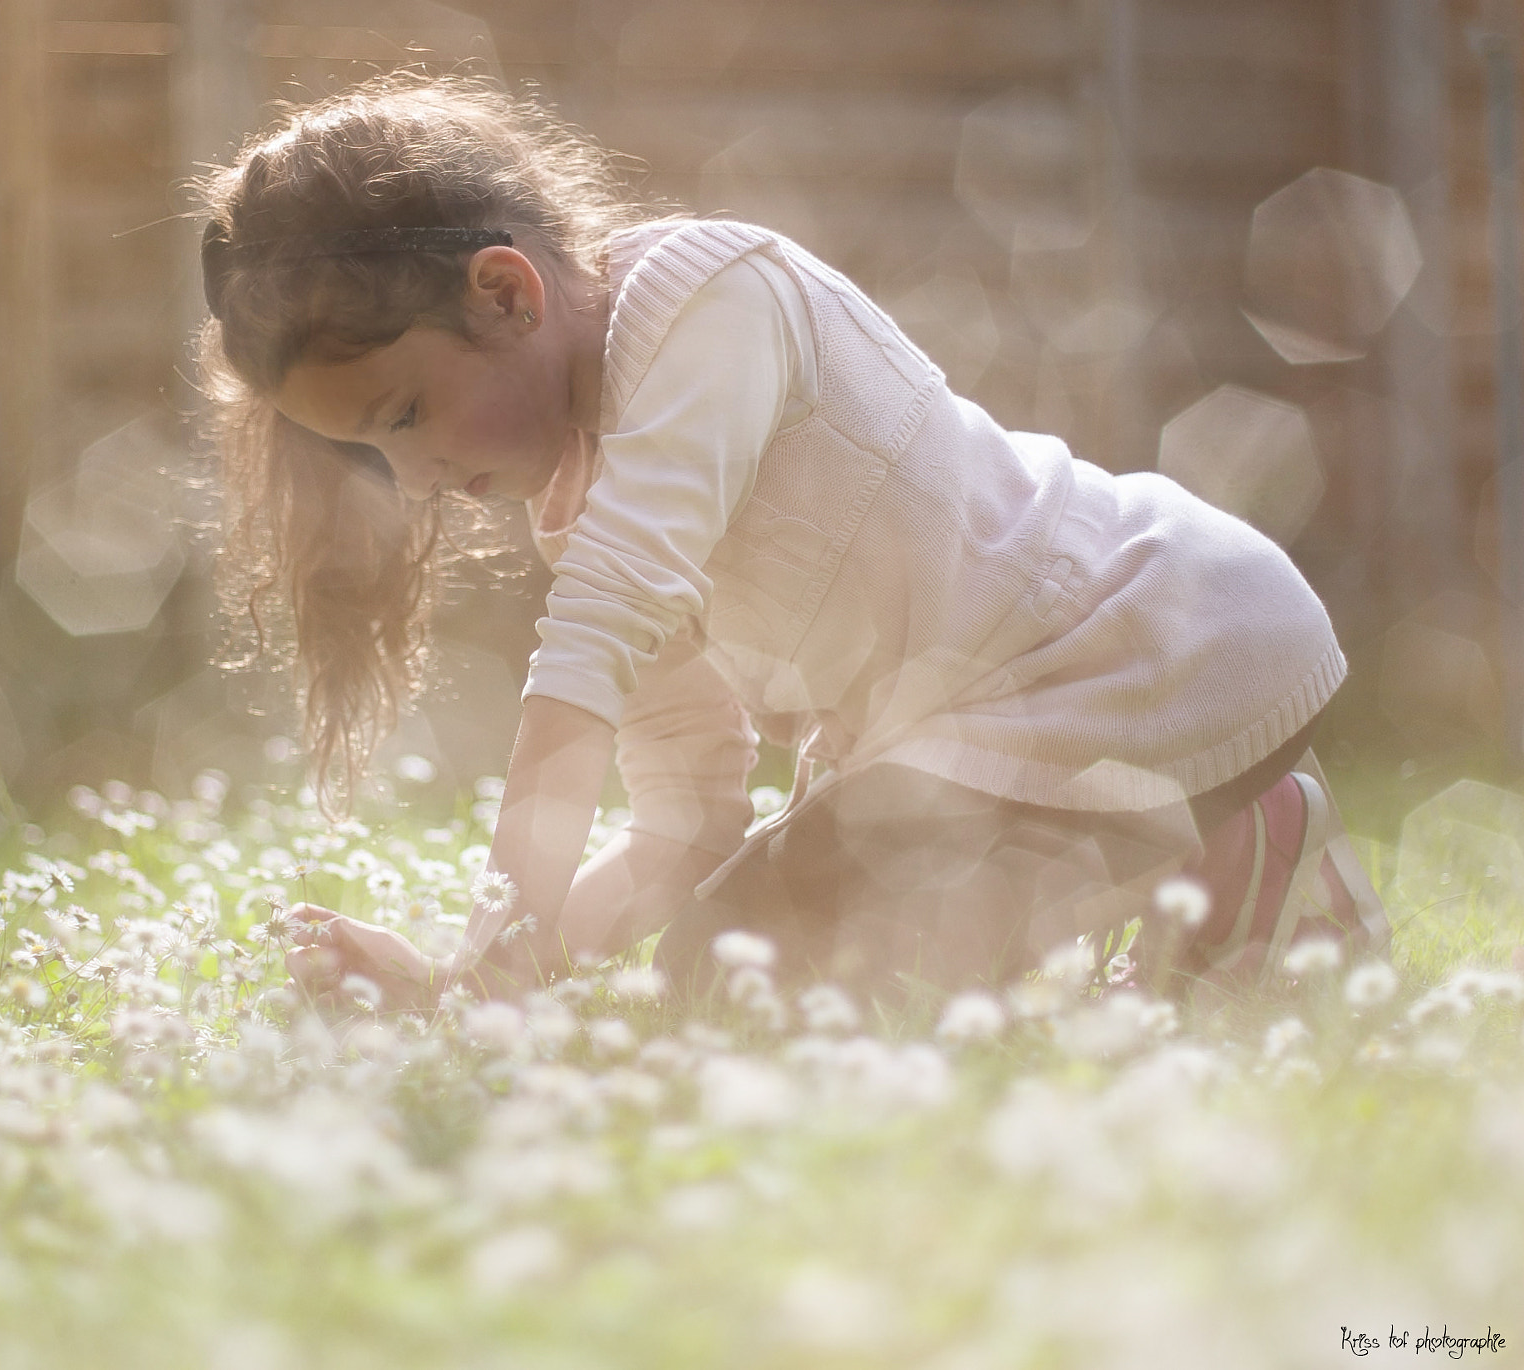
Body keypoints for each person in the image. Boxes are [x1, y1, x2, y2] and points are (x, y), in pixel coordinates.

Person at [193, 72, 1389, 1011]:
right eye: (372, 452)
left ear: (507, 294)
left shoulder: (705, 299)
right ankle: (1206, 871)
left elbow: (590, 652)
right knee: (726, 980)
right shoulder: (582, 512)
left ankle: (1251, 835)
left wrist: (496, 949)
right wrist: (479, 983)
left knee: (751, 987)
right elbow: (681, 826)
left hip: (1137, 636)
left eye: (403, 416)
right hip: (968, 743)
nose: (412, 480)